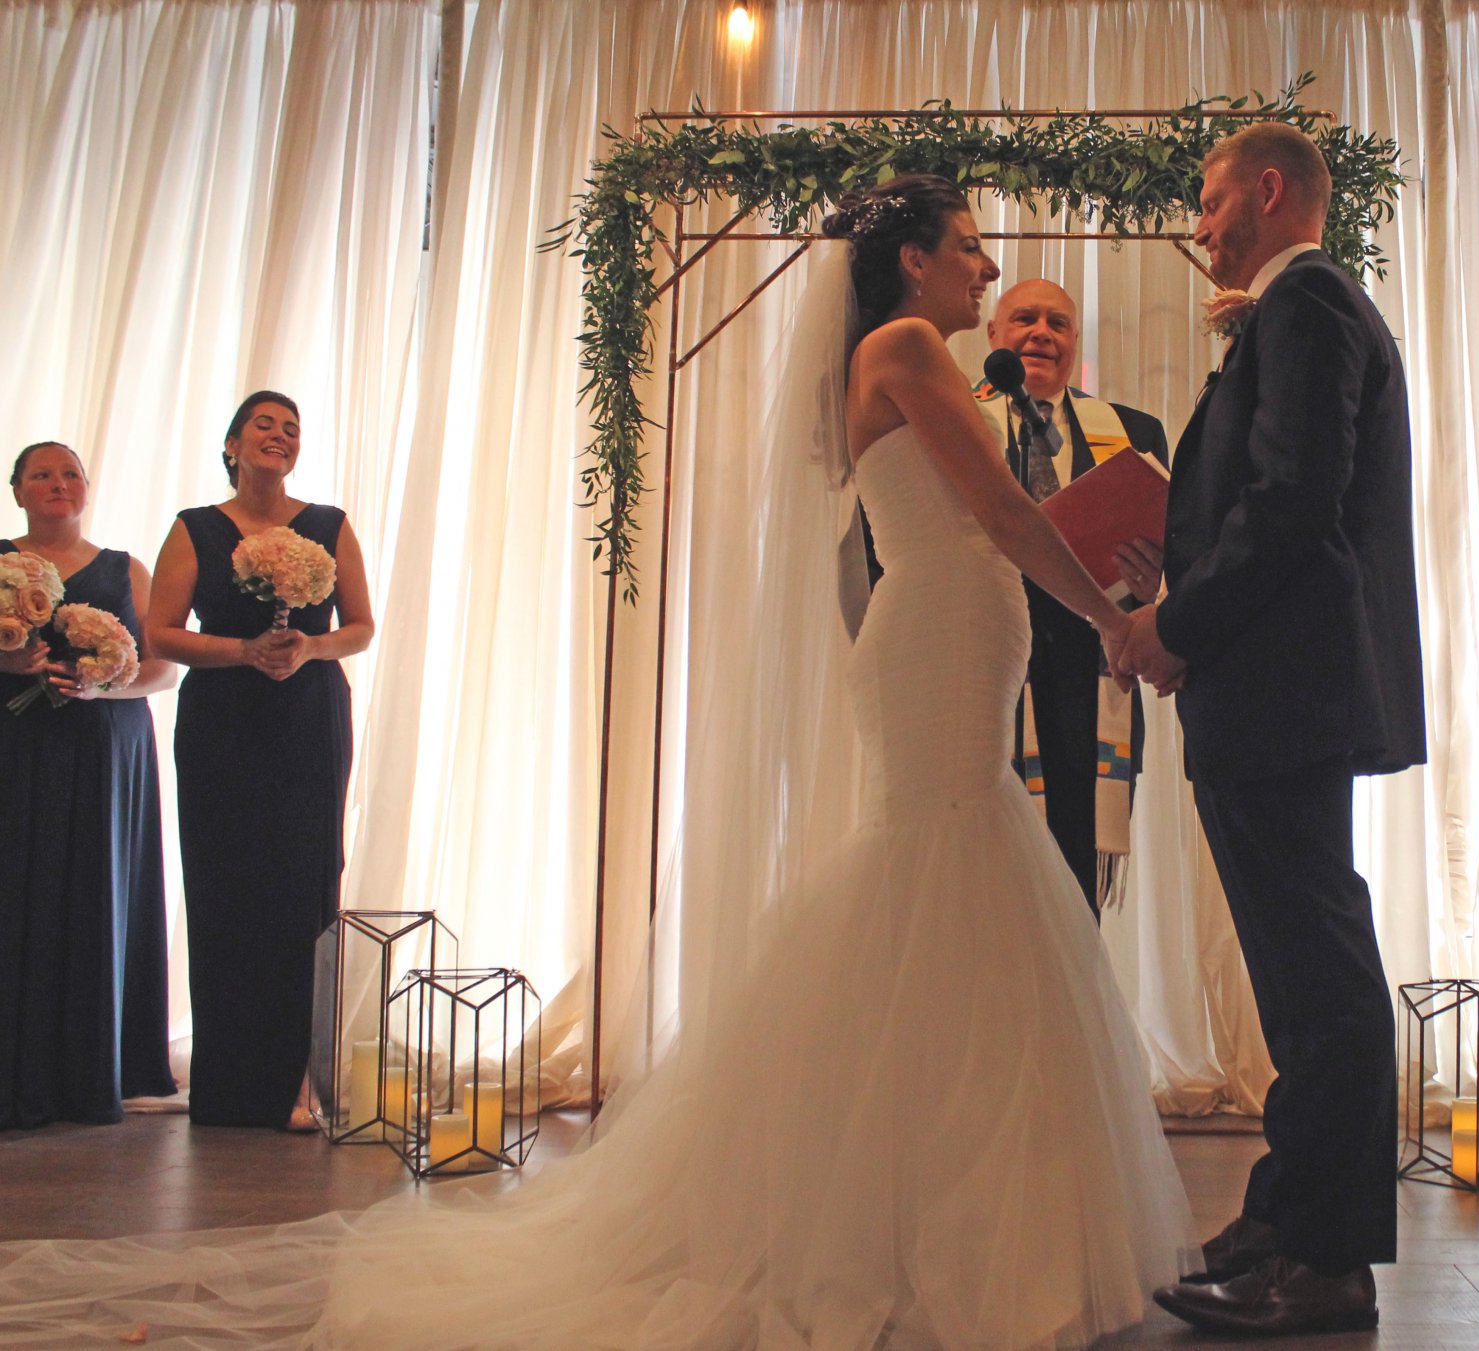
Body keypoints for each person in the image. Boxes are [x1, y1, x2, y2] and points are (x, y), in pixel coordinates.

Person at [0, 177, 1190, 1347]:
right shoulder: (909, 344)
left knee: (937, 877)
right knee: (943, 869)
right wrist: (1111, 620)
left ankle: (912, 1196)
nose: (987, 267)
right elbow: (1001, 515)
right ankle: (936, 1212)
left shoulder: (890, 352)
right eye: (969, 246)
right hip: (942, 628)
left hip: (950, 627)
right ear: (915, 260)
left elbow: (987, 517)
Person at [1120, 123, 1424, 1335]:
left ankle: (1327, 1259)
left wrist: (1177, 623)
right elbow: (1267, 498)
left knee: (1319, 980)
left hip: (1281, 690)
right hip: (1276, 689)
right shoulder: (1297, 309)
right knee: (1299, 981)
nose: (1199, 226)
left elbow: (1292, 499)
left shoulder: (1304, 303)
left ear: (1264, 188)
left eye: (1206, 201)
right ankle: (1285, 1213)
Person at [145, 393, 376, 1130]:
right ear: (232, 445)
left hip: (308, 717)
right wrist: (245, 650)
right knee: (226, 886)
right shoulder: (195, 528)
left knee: (304, 885)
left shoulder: (328, 525)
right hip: (222, 722)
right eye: (264, 425)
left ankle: (298, 1085)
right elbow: (161, 634)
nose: (280, 436)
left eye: (291, 429)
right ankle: (227, 1087)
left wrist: (309, 647)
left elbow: (361, 627)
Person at [976, 277, 1169, 915]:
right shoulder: (959, 423)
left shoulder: (1133, 433)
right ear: (993, 335)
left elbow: (1171, 554)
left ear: (1075, 342)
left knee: (1073, 886)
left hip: (1092, 679)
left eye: (1057, 324)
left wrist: (1153, 583)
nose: (1041, 334)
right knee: (984, 877)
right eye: (1024, 319)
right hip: (983, 670)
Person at [0, 442, 177, 1129]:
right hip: (16, 744)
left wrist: (104, 686)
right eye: (41, 474)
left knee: (96, 891)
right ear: (17, 490)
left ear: (86, 487)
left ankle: (93, 1068)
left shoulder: (125, 568)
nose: (58, 483)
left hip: (106, 748)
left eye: (70, 472)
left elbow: (162, 668)